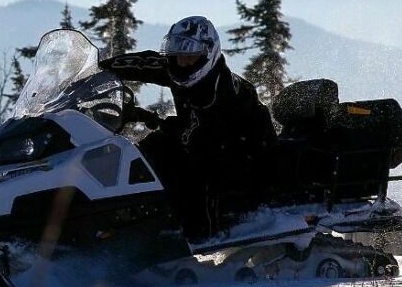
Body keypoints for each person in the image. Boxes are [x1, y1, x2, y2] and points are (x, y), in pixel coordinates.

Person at [100, 16, 276, 240]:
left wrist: (159, 121)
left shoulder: (219, 92)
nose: (182, 62)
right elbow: (146, 63)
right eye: (177, 56)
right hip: (212, 141)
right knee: (149, 150)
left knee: (190, 166)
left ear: (207, 55)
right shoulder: (180, 69)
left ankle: (200, 231)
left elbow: (199, 137)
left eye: (190, 57)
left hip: (250, 154)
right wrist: (101, 69)